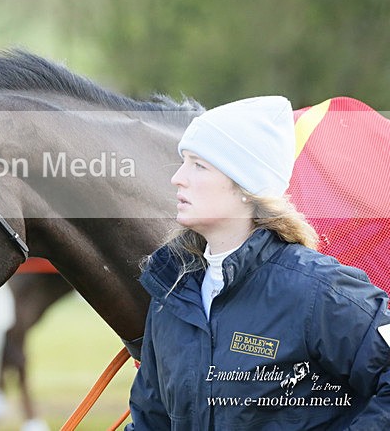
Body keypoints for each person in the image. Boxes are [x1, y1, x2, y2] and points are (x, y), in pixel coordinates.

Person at [126, 96, 390, 430]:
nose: (178, 177)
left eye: (198, 165)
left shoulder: (318, 291)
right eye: (183, 162)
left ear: (246, 188)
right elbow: (151, 419)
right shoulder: (172, 294)